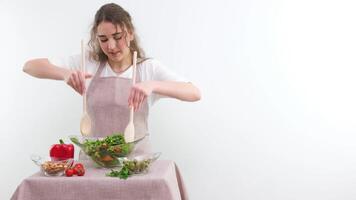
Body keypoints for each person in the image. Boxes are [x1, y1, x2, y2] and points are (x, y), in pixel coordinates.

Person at [23, 3, 201, 155]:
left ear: (130, 33)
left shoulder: (147, 68)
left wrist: (152, 85)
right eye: (103, 39)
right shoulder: (88, 62)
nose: (111, 46)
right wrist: (65, 74)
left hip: (135, 166)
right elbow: (30, 66)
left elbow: (194, 92)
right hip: (93, 163)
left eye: (117, 37)